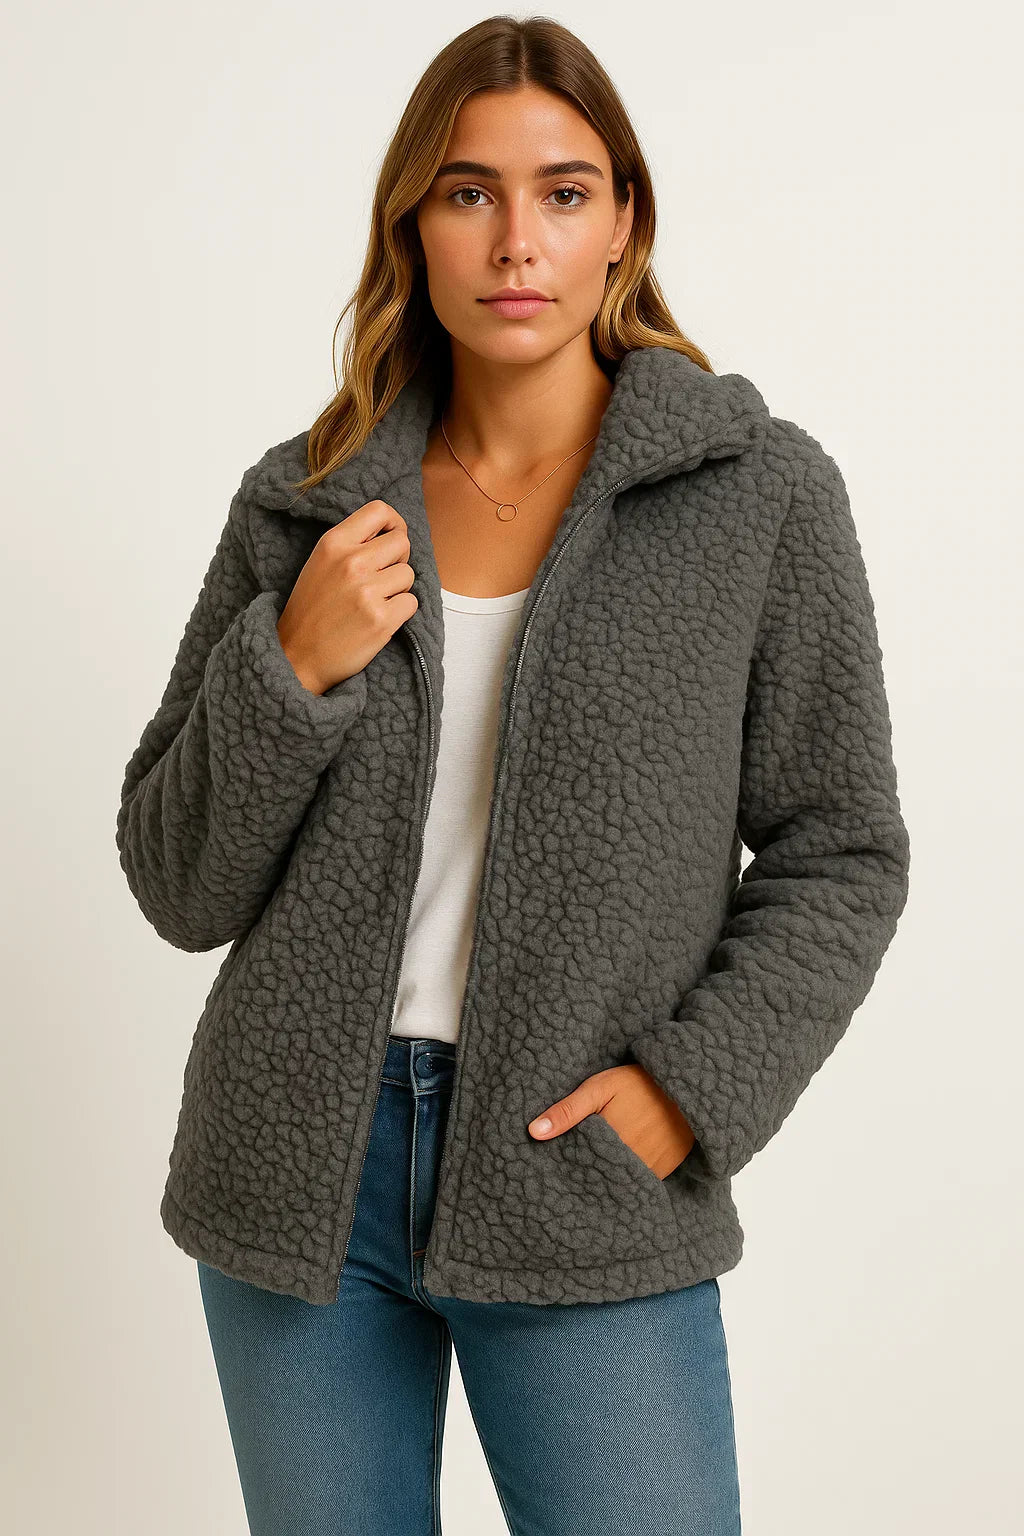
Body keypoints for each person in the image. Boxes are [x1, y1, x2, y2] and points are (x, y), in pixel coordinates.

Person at [115, 15, 911, 1535]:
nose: (515, 240)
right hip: (299, 1172)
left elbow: (843, 849)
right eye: (468, 192)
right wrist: (290, 669)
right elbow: (175, 880)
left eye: (563, 191)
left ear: (625, 223)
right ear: (411, 226)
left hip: (579, 1169)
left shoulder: (758, 497)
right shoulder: (306, 502)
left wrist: (687, 1094)